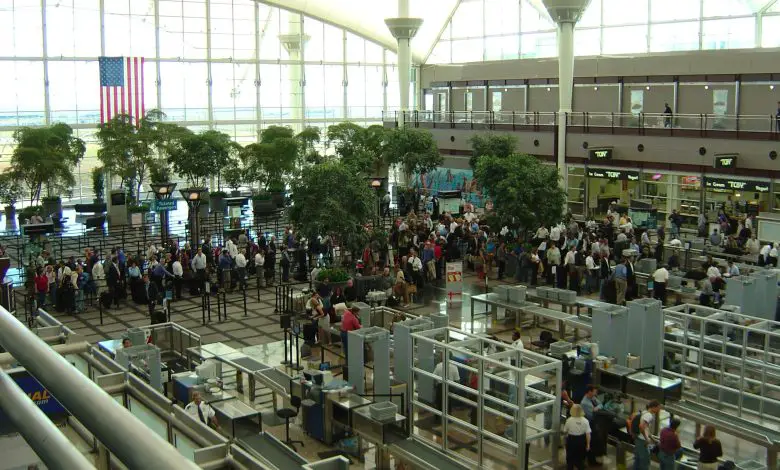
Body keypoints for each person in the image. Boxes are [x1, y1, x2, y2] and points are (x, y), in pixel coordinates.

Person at [634, 400, 662, 470]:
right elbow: (641, 426)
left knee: (637, 461)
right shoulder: (649, 415)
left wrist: (653, 439)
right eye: (658, 408)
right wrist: (646, 439)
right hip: (642, 441)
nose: (659, 410)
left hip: (638, 439)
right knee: (645, 462)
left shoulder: (644, 412)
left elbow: (646, 429)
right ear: (653, 407)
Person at [564, 404, 591, 470]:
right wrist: (588, 444)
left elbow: (565, 431)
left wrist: (565, 441)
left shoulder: (569, 420)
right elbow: (588, 434)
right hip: (581, 441)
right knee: (580, 458)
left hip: (571, 440)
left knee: (570, 459)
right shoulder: (585, 421)